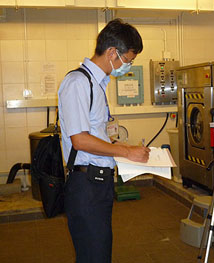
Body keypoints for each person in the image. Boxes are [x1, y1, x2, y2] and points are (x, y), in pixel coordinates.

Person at [58, 18, 150, 263]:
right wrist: (125, 152)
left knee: (99, 252)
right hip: (86, 184)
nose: (127, 66)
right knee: (94, 255)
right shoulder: (78, 82)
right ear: (112, 52)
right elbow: (80, 140)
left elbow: (94, 134)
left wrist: (118, 147)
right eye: (128, 60)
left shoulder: (97, 84)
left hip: (98, 183)